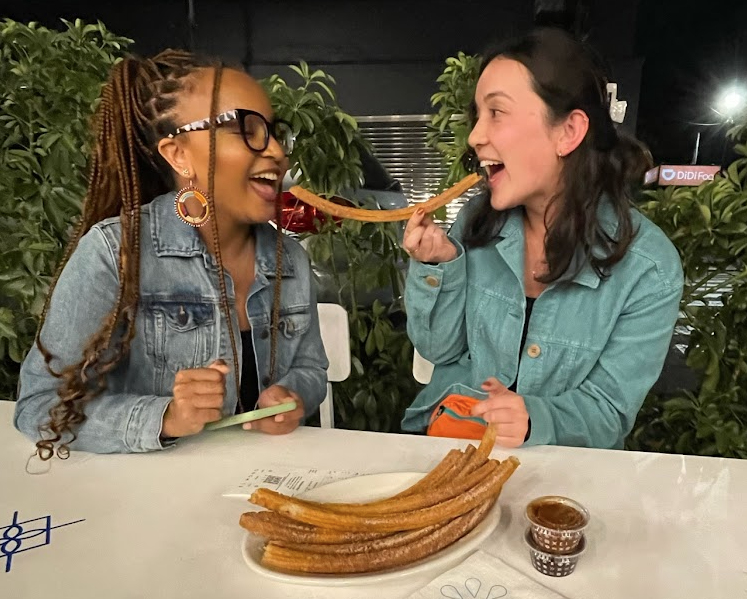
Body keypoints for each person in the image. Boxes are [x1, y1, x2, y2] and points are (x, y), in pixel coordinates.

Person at [14, 50, 328, 458]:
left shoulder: (291, 260)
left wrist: (293, 395)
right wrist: (165, 418)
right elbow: (40, 405)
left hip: (257, 483)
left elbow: (312, 369)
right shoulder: (116, 252)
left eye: (273, 131)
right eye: (247, 129)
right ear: (179, 154)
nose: (276, 153)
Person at [402, 28, 683, 449]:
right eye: (476, 116)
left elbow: (609, 409)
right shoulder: (474, 228)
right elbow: (438, 349)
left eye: (496, 113)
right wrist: (437, 265)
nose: (475, 136)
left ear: (568, 131)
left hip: (562, 473)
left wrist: (535, 418)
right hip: (450, 441)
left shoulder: (650, 268)